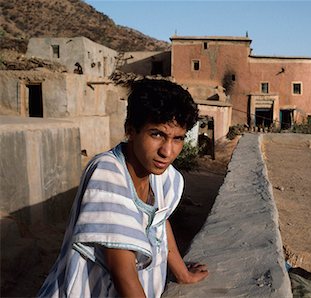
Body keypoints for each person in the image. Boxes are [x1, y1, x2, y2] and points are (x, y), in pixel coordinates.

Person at [37, 79, 208, 297]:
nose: (167, 151)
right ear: (131, 130)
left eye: (178, 139)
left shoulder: (164, 176)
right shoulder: (108, 171)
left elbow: (159, 222)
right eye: (157, 134)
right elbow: (123, 272)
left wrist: (183, 274)